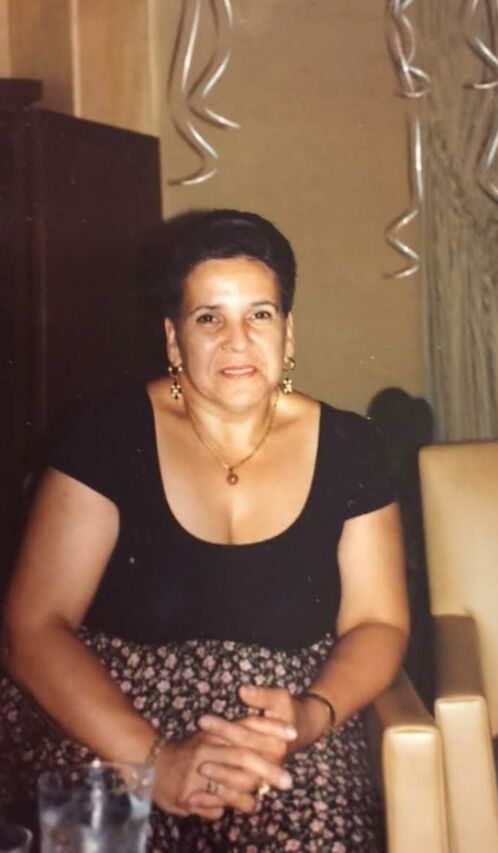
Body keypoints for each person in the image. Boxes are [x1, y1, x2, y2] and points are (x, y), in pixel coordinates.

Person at [0, 210, 409, 851]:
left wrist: (310, 717)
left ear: (289, 332)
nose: (237, 340)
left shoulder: (353, 447)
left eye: (259, 315)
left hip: (279, 730)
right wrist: (156, 760)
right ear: (174, 338)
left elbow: (379, 622)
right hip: (107, 724)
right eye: (209, 318)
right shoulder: (104, 434)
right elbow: (33, 627)